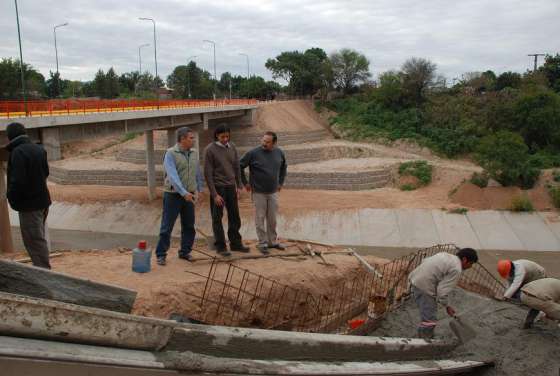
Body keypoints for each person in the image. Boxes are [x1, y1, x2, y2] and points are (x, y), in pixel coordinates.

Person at [5, 122, 51, 269]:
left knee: (34, 240)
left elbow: (17, 181)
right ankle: (42, 268)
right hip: (43, 202)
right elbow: (46, 173)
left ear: (9, 136)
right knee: (38, 238)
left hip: (29, 206)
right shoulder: (39, 149)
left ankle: (44, 273)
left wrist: (11, 199)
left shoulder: (18, 152)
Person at [155, 127, 203, 266]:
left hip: (190, 195)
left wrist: (198, 189)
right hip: (173, 195)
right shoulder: (170, 153)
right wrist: (183, 192)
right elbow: (172, 176)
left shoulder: (194, 153)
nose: (193, 140)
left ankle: (185, 251)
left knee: (189, 225)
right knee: (167, 226)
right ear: (182, 139)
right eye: (191, 138)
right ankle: (161, 254)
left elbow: (197, 172)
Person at [408, 248, 479, 339]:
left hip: (415, 278)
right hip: (424, 286)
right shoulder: (457, 269)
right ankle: (424, 341)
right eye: (471, 263)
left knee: (428, 313)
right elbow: (442, 291)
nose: (470, 266)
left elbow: (425, 261)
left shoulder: (444, 255)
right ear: (465, 259)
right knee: (430, 320)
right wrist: (447, 306)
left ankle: (424, 337)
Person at [203, 124, 249, 256]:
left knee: (235, 216)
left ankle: (236, 244)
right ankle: (221, 246)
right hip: (218, 188)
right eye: (222, 136)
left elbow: (236, 167)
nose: (225, 139)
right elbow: (207, 173)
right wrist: (214, 194)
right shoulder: (210, 150)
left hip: (231, 187)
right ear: (217, 135)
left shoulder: (232, 147)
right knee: (217, 218)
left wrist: (239, 186)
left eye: (227, 136)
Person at [240, 131, 287, 254]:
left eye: (267, 142)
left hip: (273, 192)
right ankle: (262, 243)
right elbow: (239, 166)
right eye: (263, 140)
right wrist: (245, 183)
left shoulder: (279, 153)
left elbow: (284, 167)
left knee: (272, 219)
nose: (264, 143)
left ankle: (272, 242)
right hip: (258, 192)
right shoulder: (253, 153)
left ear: (274, 143)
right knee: (260, 218)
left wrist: (281, 182)